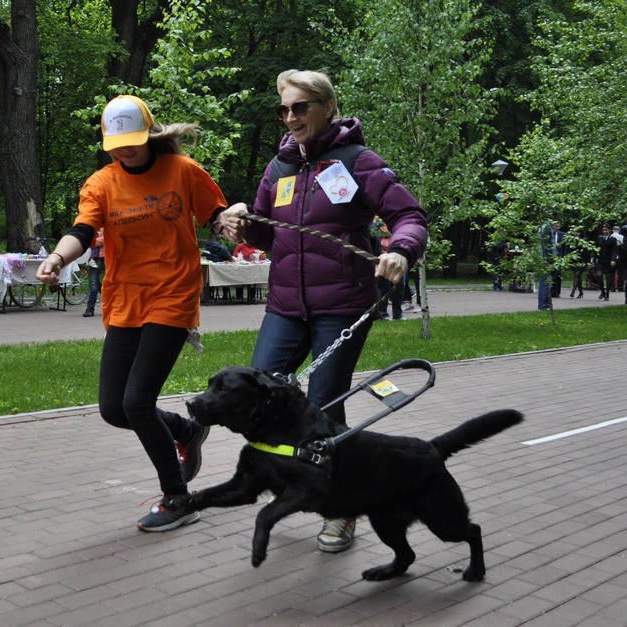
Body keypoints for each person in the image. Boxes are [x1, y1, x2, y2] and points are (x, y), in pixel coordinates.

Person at [218, 69, 427, 554]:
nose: (290, 118)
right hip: (286, 306)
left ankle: (343, 509)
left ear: (327, 108)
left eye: (300, 108)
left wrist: (402, 249)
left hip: (343, 305)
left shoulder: (358, 162)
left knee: (324, 404)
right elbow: (272, 236)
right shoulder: (280, 168)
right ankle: (288, 481)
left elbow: (409, 217)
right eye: (284, 109)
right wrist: (243, 225)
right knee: (259, 391)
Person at [35, 95, 226, 532]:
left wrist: (228, 220)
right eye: (117, 143)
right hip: (124, 300)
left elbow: (215, 214)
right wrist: (58, 260)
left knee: (137, 402)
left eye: (134, 141)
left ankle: (178, 498)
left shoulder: (183, 171)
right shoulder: (102, 182)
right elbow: (83, 231)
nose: (126, 149)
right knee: (113, 408)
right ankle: (185, 430)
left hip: (172, 295)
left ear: (150, 135)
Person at [82, 228, 104, 317]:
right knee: (95, 281)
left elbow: (103, 240)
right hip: (94, 256)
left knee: (93, 281)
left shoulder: (105, 224)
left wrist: (89, 242)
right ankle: (107, 296)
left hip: (101, 257)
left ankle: (90, 309)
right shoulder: (94, 224)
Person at [596, 225, 618, 300]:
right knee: (599, 275)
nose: (605, 232)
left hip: (608, 260)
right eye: (603, 230)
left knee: (608, 277)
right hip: (601, 260)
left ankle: (607, 293)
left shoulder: (613, 239)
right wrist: (594, 260)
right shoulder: (599, 238)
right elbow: (596, 249)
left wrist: (613, 260)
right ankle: (602, 291)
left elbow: (614, 250)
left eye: (606, 230)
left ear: (609, 230)